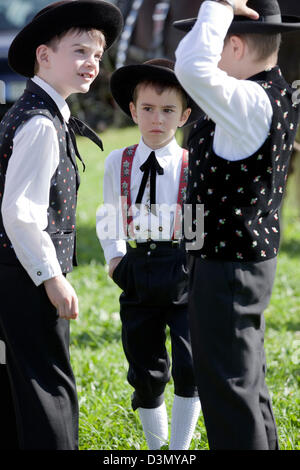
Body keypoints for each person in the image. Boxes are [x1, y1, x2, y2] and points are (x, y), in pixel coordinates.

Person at [173, 0, 300, 450]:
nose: (196, 48)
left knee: (227, 390)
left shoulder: (248, 99)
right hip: (237, 262)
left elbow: (189, 68)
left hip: (228, 266)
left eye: (207, 39)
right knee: (244, 385)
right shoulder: (265, 94)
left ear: (234, 44)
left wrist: (218, 5)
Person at [0, 0, 123, 450]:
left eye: (96, 53)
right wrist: (52, 278)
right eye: (78, 51)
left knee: (22, 378)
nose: (91, 62)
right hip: (25, 274)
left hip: (15, 271)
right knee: (49, 383)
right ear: (44, 56)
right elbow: (20, 211)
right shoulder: (39, 123)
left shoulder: (45, 113)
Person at [97, 59, 201, 450]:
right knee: (145, 363)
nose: (157, 119)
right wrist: (116, 261)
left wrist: (195, 265)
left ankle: (179, 450)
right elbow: (109, 214)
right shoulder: (118, 162)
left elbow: (198, 225)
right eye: (148, 109)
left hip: (183, 267)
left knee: (190, 363)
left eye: (168, 110)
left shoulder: (192, 165)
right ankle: (156, 449)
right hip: (136, 267)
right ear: (133, 110)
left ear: (184, 115)